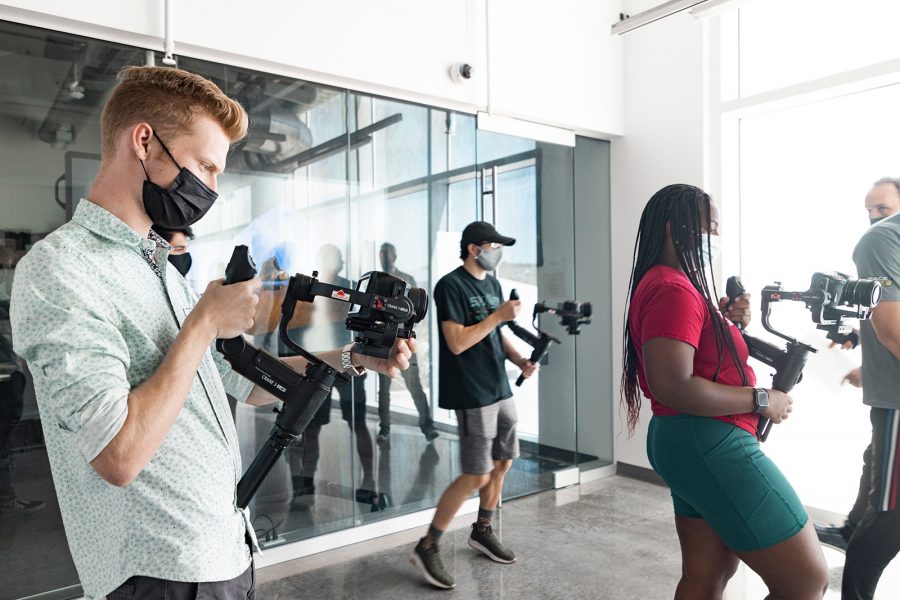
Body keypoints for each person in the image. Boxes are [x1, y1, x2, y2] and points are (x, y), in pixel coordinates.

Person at [9, 66, 412, 600]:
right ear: (145, 142)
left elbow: (246, 382)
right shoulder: (61, 268)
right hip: (159, 568)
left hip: (222, 543)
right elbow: (118, 454)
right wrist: (203, 323)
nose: (211, 189)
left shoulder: (159, 269)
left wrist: (357, 358)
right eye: (203, 166)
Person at [621, 184, 828, 599]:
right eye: (708, 226)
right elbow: (674, 385)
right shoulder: (673, 289)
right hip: (710, 441)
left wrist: (729, 324)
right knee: (806, 579)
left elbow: (697, 358)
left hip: (686, 442)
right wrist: (763, 399)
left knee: (706, 574)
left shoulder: (673, 284)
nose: (714, 236)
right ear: (670, 227)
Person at [410, 221, 538, 590]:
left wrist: (519, 362)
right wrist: (499, 315)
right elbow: (457, 342)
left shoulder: (493, 284)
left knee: (504, 461)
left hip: (499, 387)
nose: (498, 252)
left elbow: (494, 335)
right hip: (471, 392)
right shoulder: (450, 285)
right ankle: (428, 544)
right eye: (493, 245)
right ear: (473, 249)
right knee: (477, 474)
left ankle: (482, 529)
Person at [815, 177, 900, 556]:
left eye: (882, 209)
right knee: (881, 483)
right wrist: (858, 337)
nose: (874, 218)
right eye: (869, 211)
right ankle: (852, 533)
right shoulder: (882, 243)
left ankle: (853, 533)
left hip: (890, 387)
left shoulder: (885, 243)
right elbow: (889, 325)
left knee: (880, 482)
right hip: (890, 391)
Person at [287, 244, 382, 510]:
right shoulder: (312, 292)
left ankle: (370, 481)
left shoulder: (350, 289)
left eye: (333, 259)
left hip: (348, 361)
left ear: (340, 263)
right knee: (311, 428)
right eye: (323, 258)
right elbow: (297, 325)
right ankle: (305, 485)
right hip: (318, 363)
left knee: (358, 424)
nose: (329, 263)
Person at [376, 242, 438, 444]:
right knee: (384, 390)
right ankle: (384, 430)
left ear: (395, 256)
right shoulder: (377, 281)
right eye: (382, 254)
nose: (385, 257)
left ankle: (427, 427)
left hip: (403, 341)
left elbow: (417, 312)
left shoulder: (407, 281)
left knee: (415, 387)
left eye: (388, 254)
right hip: (383, 342)